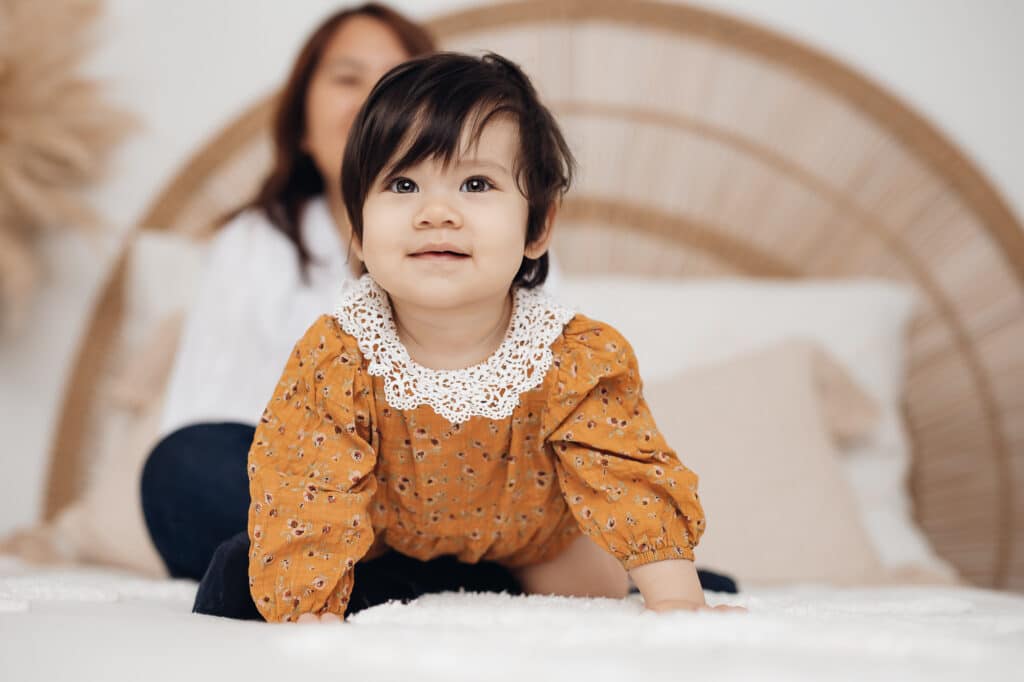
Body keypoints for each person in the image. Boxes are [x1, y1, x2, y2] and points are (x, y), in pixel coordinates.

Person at [196, 50, 743, 623]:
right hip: (386, 536)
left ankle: (673, 578)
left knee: (596, 588)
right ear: (357, 229)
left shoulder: (570, 355)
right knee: (238, 573)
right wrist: (312, 611)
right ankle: (447, 583)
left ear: (539, 226)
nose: (436, 212)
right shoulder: (339, 353)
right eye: (403, 184)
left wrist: (679, 601)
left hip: (538, 542)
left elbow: (626, 474)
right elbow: (307, 486)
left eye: (476, 183)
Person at [141, 5, 530, 615]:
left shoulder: (500, 239)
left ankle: (379, 575)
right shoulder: (254, 244)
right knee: (183, 467)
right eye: (348, 78)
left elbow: (547, 411)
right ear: (301, 124)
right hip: (304, 488)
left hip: (465, 496)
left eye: (396, 78)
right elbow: (212, 419)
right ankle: (419, 576)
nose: (372, 96)